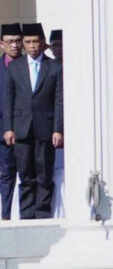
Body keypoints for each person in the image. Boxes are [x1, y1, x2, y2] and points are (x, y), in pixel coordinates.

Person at [3, 23, 63, 219]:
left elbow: (59, 100)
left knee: (44, 175)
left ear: (43, 43)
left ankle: (43, 215)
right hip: (21, 129)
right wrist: (8, 128)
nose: (31, 46)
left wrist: (58, 129)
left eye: (35, 41)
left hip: (45, 128)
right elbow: (8, 99)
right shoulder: (15, 67)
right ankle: (27, 217)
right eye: (27, 42)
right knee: (25, 175)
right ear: (23, 44)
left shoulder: (54, 67)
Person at [0, 23, 23, 220]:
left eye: (17, 41)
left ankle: (28, 216)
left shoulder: (31, 65)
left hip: (26, 131)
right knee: (6, 175)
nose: (14, 45)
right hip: (2, 133)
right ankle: (6, 215)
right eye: (10, 42)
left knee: (28, 176)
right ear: (2, 44)